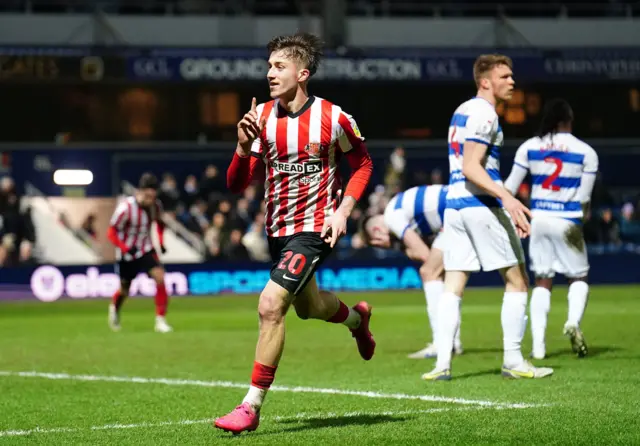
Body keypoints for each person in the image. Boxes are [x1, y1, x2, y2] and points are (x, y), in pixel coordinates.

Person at [215, 32, 375, 435]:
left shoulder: (334, 118)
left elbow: (364, 165)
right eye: (268, 66)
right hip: (278, 231)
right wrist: (240, 146)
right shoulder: (262, 119)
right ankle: (357, 321)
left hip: (315, 228)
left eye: (278, 66)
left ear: (302, 73)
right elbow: (237, 185)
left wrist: (343, 211)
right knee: (309, 308)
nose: (269, 73)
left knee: (271, 305)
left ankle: (250, 407)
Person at [422, 54, 553, 381]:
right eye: (505, 76)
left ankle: (442, 364)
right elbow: (471, 166)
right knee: (517, 280)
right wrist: (507, 197)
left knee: (453, 284)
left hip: (454, 205)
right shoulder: (485, 115)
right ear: (485, 81)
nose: (512, 82)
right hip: (480, 205)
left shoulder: (462, 110)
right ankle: (513, 360)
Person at [504, 99, 598, 359]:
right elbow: (584, 199)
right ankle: (573, 322)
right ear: (568, 121)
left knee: (542, 281)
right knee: (578, 278)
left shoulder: (529, 147)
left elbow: (510, 187)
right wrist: (582, 219)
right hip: (568, 221)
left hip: (540, 220)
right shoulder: (586, 151)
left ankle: (538, 347)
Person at [360, 184, 463, 358]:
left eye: (378, 244)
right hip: (461, 208)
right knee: (441, 275)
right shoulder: (397, 209)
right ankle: (452, 342)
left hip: (458, 211)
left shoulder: (392, 217)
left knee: (429, 272)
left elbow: (424, 254)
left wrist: (394, 245)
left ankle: (442, 344)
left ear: (377, 232)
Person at [106, 173, 172, 333]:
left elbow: (160, 224)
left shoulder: (155, 206)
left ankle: (160, 320)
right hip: (127, 254)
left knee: (160, 276)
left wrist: (161, 242)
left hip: (146, 249)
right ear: (140, 191)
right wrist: (125, 248)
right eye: (148, 193)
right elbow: (111, 232)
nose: (151, 197)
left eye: (153, 193)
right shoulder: (125, 208)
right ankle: (114, 308)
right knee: (124, 289)